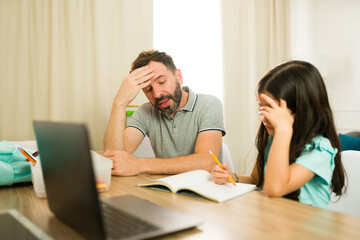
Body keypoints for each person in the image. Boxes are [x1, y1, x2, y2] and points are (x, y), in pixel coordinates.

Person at [211, 60, 346, 208]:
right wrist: (232, 177)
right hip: (276, 220)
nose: (263, 116)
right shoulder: (272, 138)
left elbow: (275, 188)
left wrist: (283, 130)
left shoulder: (319, 150)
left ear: (300, 108)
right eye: (261, 107)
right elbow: (257, 180)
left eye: (271, 109)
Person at [103, 50, 226, 176]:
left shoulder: (209, 104)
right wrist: (119, 103)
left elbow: (206, 162)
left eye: (161, 82)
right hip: (165, 191)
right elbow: (113, 159)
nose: (157, 94)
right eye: (148, 89)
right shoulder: (145, 112)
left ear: (179, 76)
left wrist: (139, 165)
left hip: (205, 191)